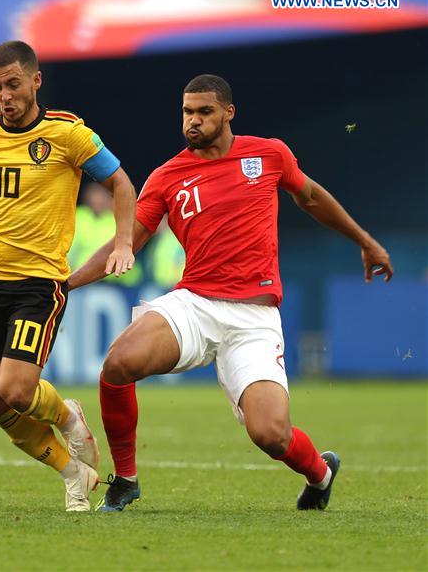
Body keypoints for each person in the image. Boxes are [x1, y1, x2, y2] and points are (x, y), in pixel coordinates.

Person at [69, 74, 393, 513]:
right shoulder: (167, 176)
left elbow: (312, 197)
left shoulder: (269, 154)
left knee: (270, 434)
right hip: (195, 303)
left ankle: (320, 472)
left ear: (228, 113)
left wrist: (365, 241)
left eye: (204, 112)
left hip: (253, 319)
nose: (194, 121)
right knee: (119, 363)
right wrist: (66, 283)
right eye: (187, 112)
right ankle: (126, 479)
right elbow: (129, 238)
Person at [0, 41, 138, 511]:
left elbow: (121, 182)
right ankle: (72, 473)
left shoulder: (68, 135)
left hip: (38, 283)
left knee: (16, 391)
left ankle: (69, 417)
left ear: (36, 81)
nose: (5, 95)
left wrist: (123, 242)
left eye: (14, 84)